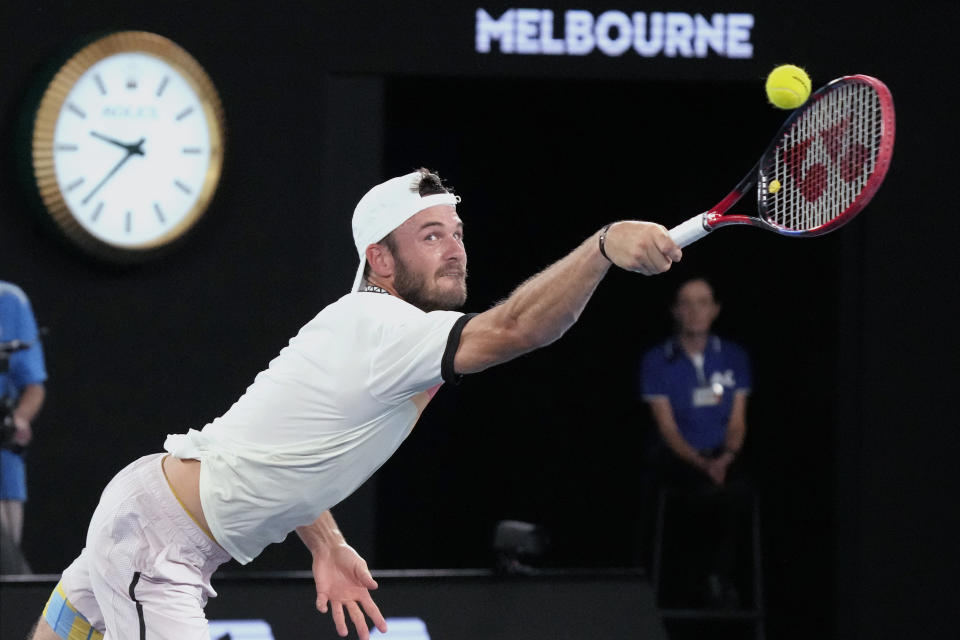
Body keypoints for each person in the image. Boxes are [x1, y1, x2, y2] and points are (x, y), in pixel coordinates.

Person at [30, 168, 682, 640]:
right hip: (155, 546)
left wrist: (327, 543)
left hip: (152, 509)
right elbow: (518, 328)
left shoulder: (379, 335)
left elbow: (282, 454)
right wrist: (602, 247)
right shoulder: (381, 330)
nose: (454, 246)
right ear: (381, 259)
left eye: (456, 231)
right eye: (430, 235)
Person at [640, 277, 753, 608]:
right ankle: (682, 585)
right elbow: (667, 429)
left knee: (737, 492)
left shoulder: (733, 357)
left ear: (715, 310)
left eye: (702, 302)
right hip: (680, 457)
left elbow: (737, 421)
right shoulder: (657, 360)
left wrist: (726, 457)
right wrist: (701, 463)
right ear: (675, 310)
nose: (694, 311)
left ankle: (719, 578)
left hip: (722, 456)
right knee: (695, 491)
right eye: (686, 303)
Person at [0, 281, 48, 575]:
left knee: (6, 569)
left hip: (3, 461)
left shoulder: (8, 300)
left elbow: (33, 386)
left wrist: (18, 419)